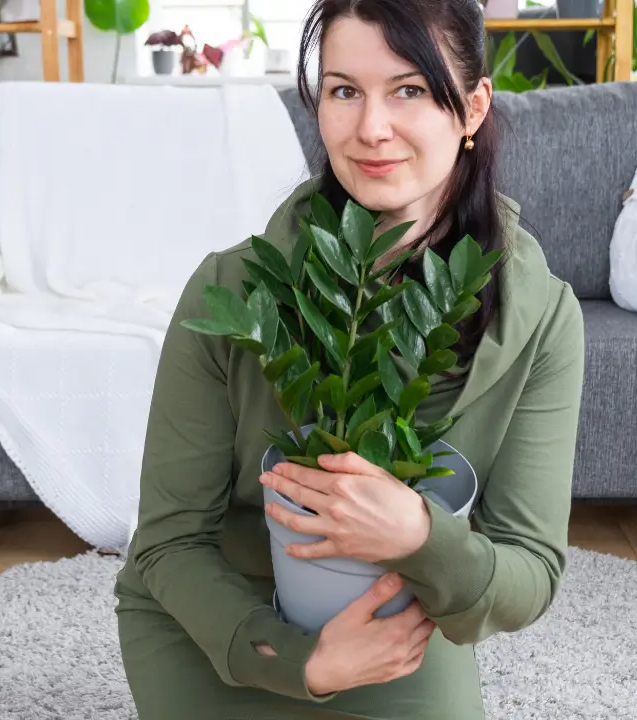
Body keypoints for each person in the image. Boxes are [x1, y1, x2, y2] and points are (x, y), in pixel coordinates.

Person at [113, 0, 585, 716]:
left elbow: (528, 572)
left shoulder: (541, 318)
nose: (371, 129)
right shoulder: (230, 290)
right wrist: (304, 660)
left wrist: (419, 536)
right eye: (343, 90)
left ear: (473, 107)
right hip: (220, 625)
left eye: (410, 90)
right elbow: (168, 542)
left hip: (397, 634)